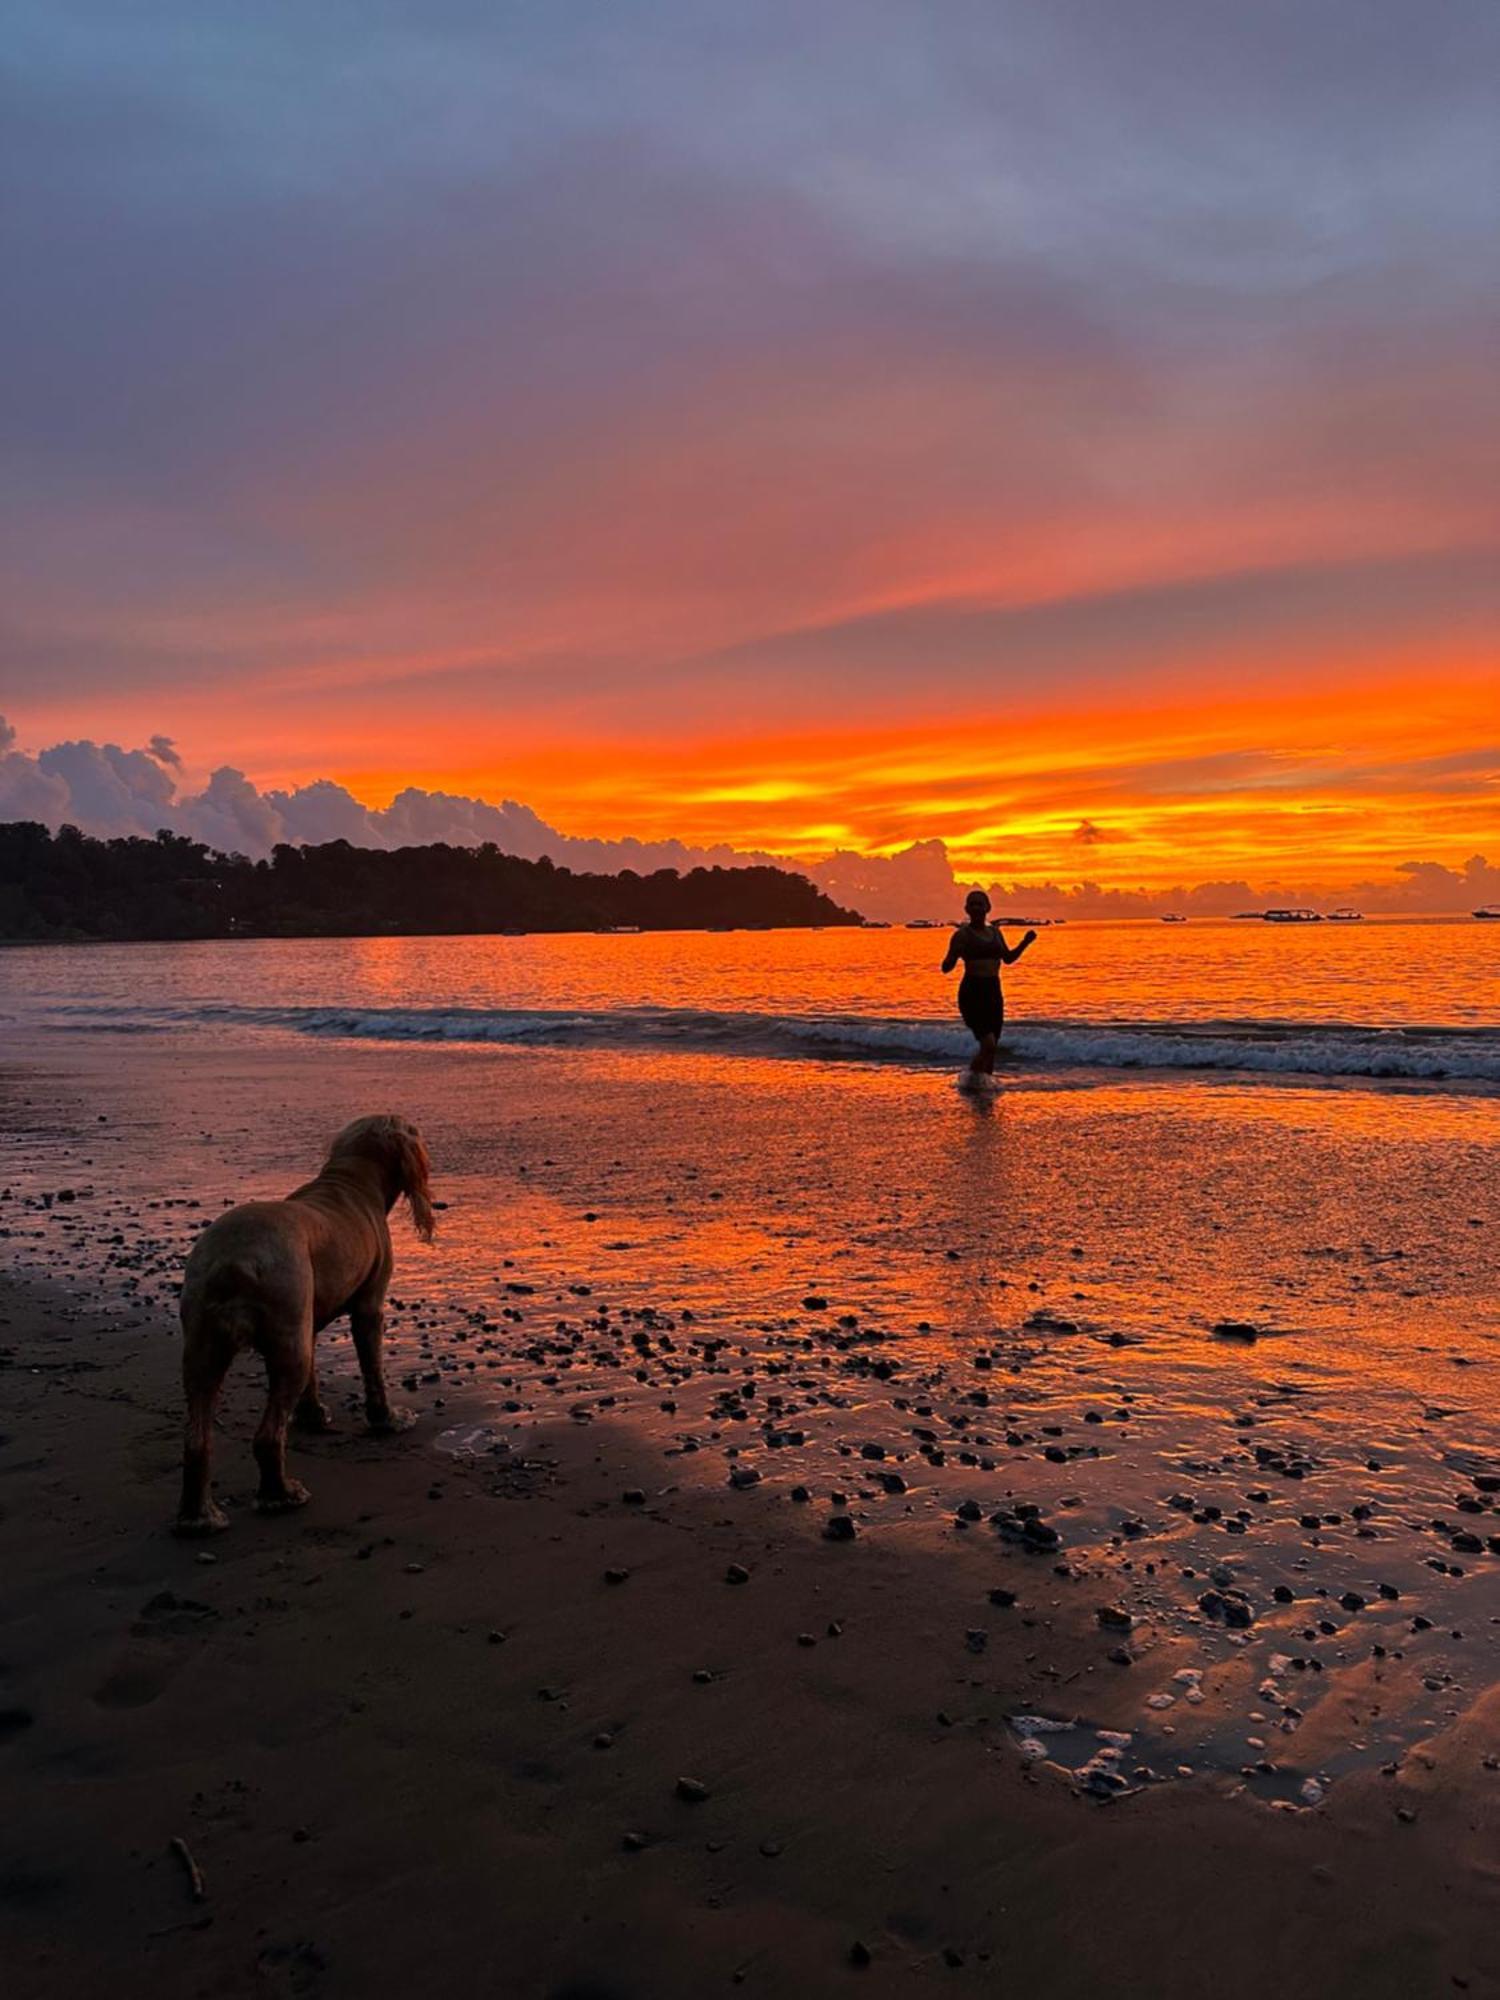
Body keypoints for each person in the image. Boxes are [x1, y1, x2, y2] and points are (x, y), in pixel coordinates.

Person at [941, 890, 1036, 1081]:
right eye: (972, 904)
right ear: (967, 909)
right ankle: (970, 1082)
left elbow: (1008, 959)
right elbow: (946, 967)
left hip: (993, 991)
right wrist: (954, 956)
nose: (977, 908)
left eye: (980, 904)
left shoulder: (995, 933)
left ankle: (985, 1090)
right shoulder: (962, 935)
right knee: (988, 1044)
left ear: (988, 908)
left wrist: (1025, 943)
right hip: (972, 992)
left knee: (993, 1047)